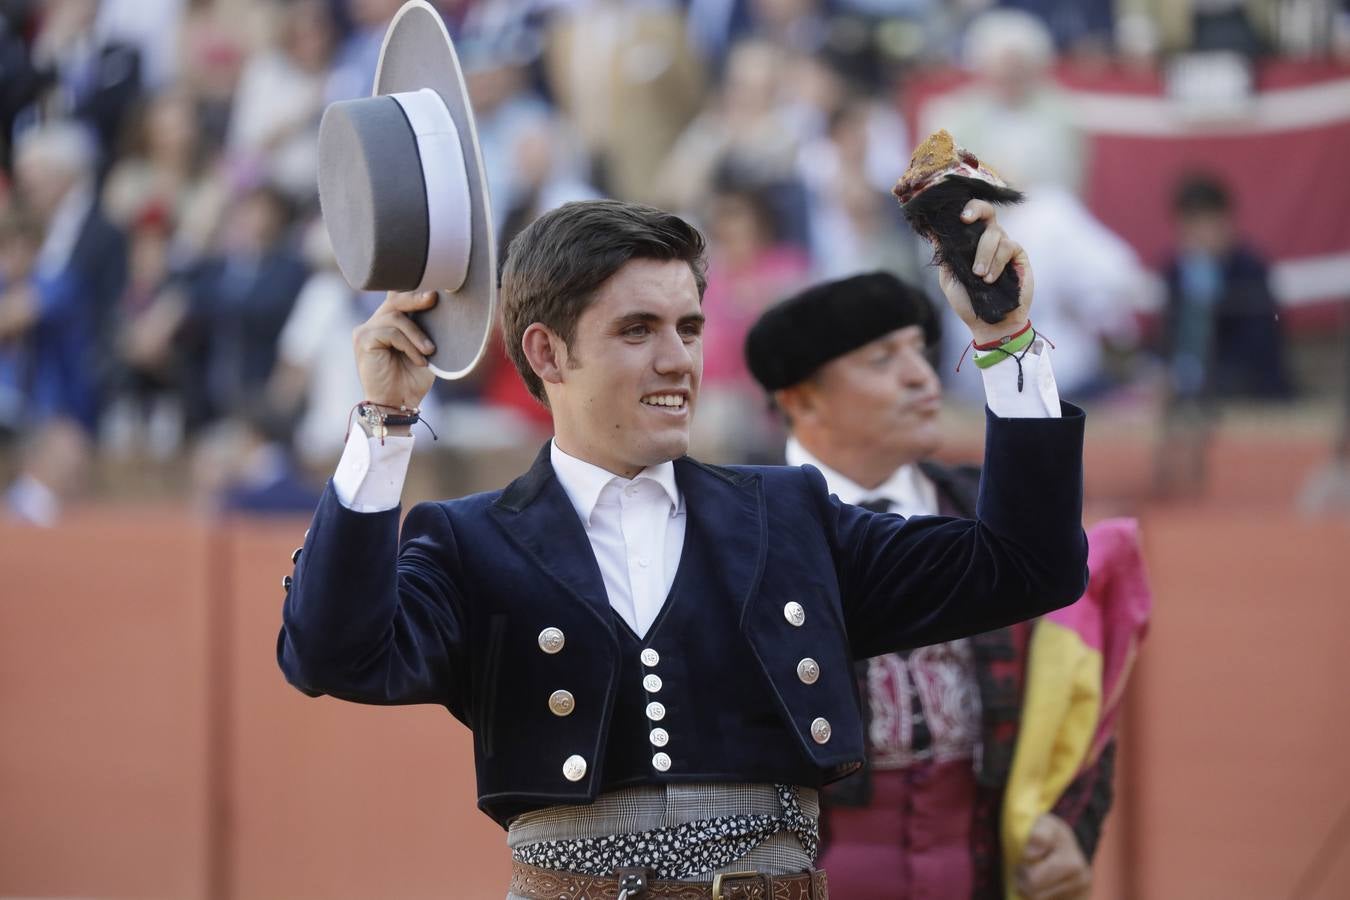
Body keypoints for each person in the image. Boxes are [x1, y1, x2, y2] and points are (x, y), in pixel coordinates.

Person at [277, 198, 1088, 899]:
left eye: (690, 328)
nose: (678, 360)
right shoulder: (469, 542)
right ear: (546, 353)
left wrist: (1007, 341)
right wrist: (383, 426)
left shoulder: (790, 515)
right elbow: (330, 654)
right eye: (638, 330)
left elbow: (1027, 565)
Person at [744, 271, 1114, 900]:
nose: (922, 376)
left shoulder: (996, 518)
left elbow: (1076, 700)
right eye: (883, 359)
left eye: (920, 349)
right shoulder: (741, 535)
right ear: (802, 401)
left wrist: (1070, 830)